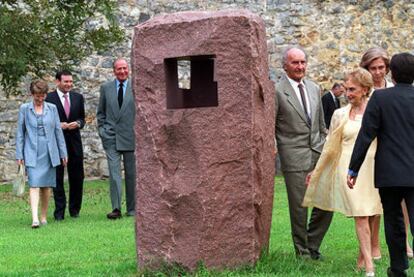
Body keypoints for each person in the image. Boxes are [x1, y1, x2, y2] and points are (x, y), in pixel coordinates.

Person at [303, 68, 381, 276]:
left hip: (373, 169)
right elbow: (330, 146)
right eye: (346, 89)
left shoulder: (377, 111)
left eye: (352, 89)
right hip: (349, 173)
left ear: (365, 89)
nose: (348, 93)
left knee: (371, 212)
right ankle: (370, 267)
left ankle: (362, 258)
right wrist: (316, 170)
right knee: (360, 214)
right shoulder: (339, 114)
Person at [348, 52, 414, 277]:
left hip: (389, 173)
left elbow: (366, 135)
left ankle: (398, 268)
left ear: (392, 73)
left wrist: (353, 168)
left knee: (393, 221)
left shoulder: (380, 99)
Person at [275, 46, 333, 260]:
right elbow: (271, 125)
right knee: (299, 208)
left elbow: (320, 125)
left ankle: (312, 243)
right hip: (294, 156)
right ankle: (302, 252)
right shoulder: (277, 91)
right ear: (285, 65)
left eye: (303, 62)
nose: (300, 67)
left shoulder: (314, 87)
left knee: (326, 202)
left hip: (318, 153)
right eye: (295, 63)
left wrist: (326, 149)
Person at [15, 79, 68, 228]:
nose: (40, 99)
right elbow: (20, 133)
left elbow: (58, 132)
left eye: (43, 96)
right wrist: (19, 155)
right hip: (31, 151)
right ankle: (35, 219)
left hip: (50, 152)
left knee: (46, 186)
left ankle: (43, 216)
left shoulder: (52, 108)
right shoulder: (24, 109)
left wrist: (63, 153)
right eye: (37, 96)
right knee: (34, 184)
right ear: (32, 94)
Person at [97, 58, 136, 219]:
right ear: (114, 71)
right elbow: (101, 112)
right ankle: (116, 208)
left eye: (124, 68)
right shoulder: (106, 88)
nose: (122, 71)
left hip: (131, 137)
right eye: (119, 69)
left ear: (129, 69)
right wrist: (103, 131)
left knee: (131, 174)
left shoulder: (136, 87)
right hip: (111, 137)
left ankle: (133, 209)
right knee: (114, 174)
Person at [45, 70, 85, 220]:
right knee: (57, 177)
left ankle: (74, 210)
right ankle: (59, 212)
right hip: (56, 143)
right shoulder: (49, 98)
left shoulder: (78, 98)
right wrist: (56, 125)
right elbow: (45, 120)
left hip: (75, 143)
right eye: (65, 82)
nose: (69, 84)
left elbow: (82, 118)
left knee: (77, 177)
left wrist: (78, 123)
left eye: (70, 82)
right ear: (57, 82)